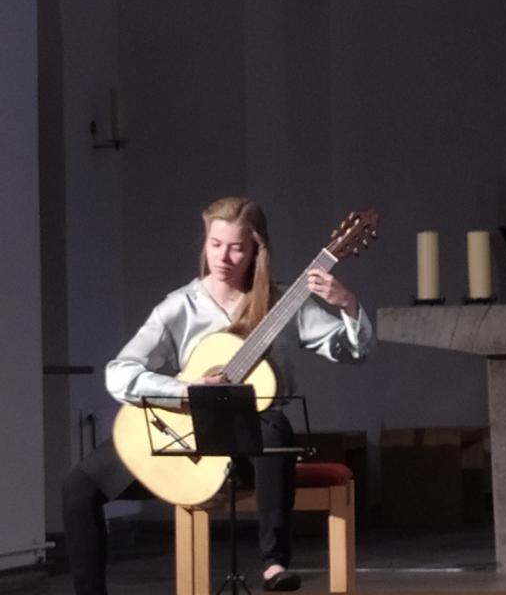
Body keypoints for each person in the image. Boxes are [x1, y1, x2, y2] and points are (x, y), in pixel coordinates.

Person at [62, 196, 375, 594]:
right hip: (185, 442)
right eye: (215, 244)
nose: (223, 257)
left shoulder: (284, 304)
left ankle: (274, 564)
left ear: (257, 250)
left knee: (274, 423)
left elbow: (356, 352)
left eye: (237, 247)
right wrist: (185, 390)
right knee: (77, 486)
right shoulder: (179, 307)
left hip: (251, 453)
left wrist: (347, 304)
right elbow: (119, 374)